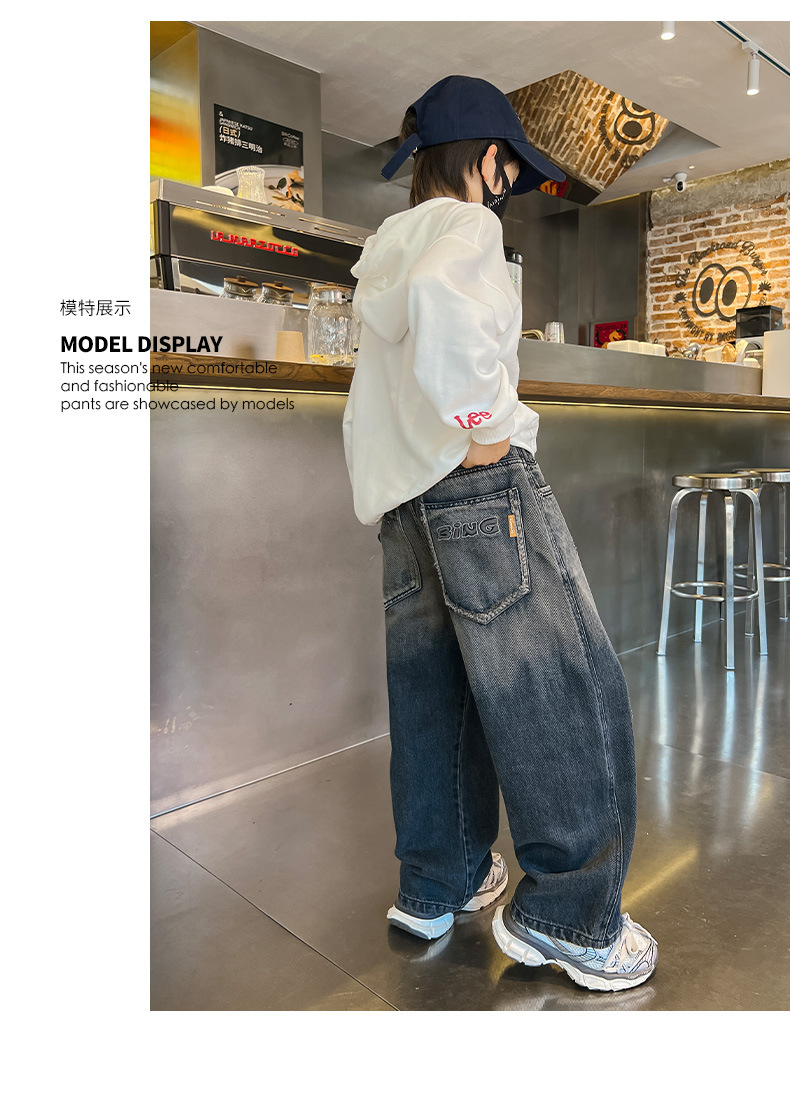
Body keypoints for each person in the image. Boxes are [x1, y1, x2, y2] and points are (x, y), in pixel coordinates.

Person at [341, 75, 657, 993]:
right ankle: (570, 915)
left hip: (405, 504)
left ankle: (436, 882)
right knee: (562, 688)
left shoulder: (387, 244)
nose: (511, 182)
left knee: (434, 698)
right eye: (510, 165)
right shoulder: (467, 227)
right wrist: (481, 424)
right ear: (486, 158)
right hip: (478, 484)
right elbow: (445, 304)